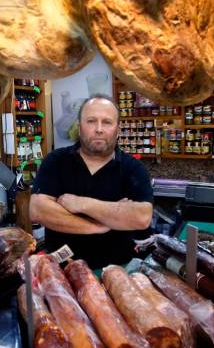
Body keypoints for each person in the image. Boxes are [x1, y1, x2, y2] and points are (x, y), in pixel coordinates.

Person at [30, 94, 153, 269]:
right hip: (61, 272)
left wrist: (82, 204)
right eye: (91, 121)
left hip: (118, 272)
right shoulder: (55, 161)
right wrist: (100, 225)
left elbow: (141, 217)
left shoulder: (133, 168)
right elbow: (39, 211)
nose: (99, 129)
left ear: (117, 129)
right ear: (79, 127)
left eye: (107, 122)